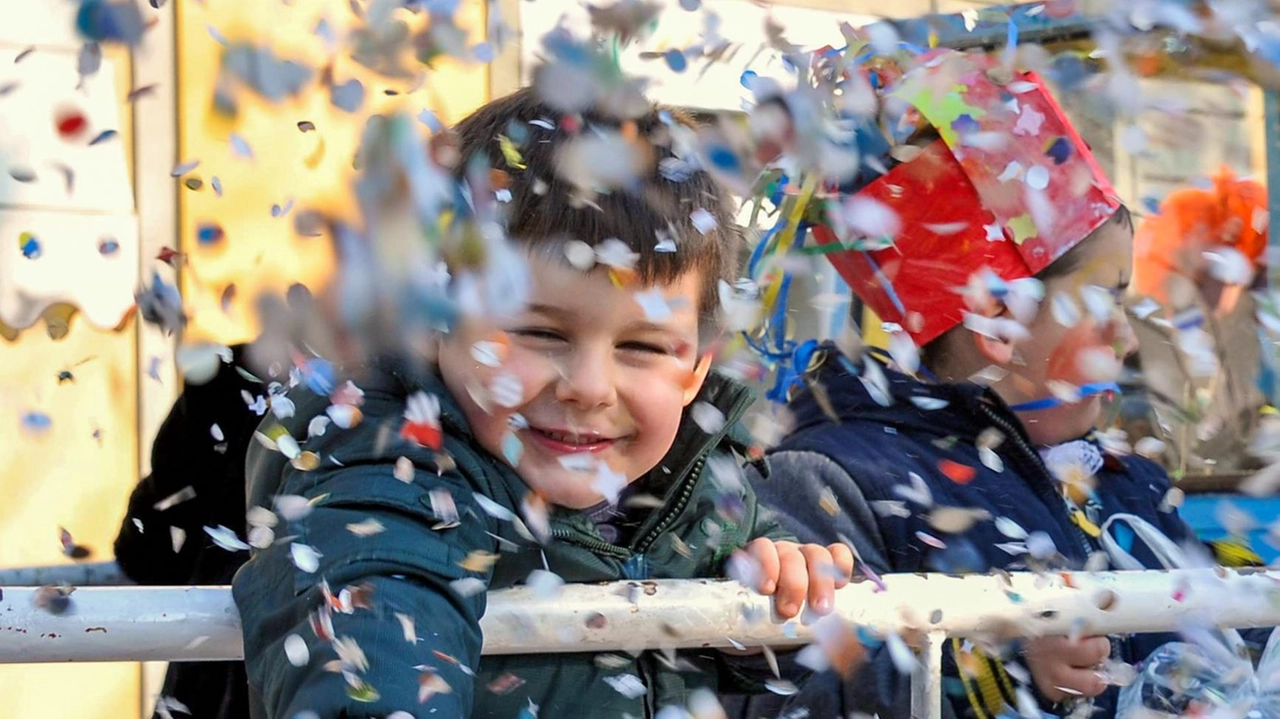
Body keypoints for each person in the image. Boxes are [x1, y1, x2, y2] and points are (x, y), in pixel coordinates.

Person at [231, 85, 855, 719]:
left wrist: (769, 590)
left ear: (695, 370)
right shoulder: (388, 467)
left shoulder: (702, 487)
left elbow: (752, 631)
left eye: (642, 347)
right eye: (540, 333)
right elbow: (375, 592)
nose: (588, 385)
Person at [729, 49, 1270, 719]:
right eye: (1106, 301)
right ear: (997, 318)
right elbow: (782, 694)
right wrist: (994, 668)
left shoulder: (1127, 479)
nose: (1128, 340)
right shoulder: (832, 482)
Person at [113, 342, 261, 719]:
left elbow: (142, 551)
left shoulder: (224, 376)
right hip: (251, 660)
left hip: (218, 662)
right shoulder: (391, 387)